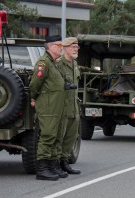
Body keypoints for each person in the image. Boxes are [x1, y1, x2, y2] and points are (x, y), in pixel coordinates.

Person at [29, 35, 67, 181]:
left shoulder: (53, 63)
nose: (61, 48)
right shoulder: (44, 63)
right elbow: (34, 84)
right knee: (47, 136)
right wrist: (35, 98)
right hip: (48, 107)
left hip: (55, 107)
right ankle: (42, 169)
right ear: (50, 46)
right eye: (59, 45)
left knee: (55, 136)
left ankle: (51, 165)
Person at [57, 37, 81, 174]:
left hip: (73, 106)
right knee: (60, 136)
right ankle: (56, 163)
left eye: (77, 47)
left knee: (71, 136)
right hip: (62, 106)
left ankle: (64, 161)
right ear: (65, 48)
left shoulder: (75, 64)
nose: (75, 49)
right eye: (72, 46)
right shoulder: (59, 64)